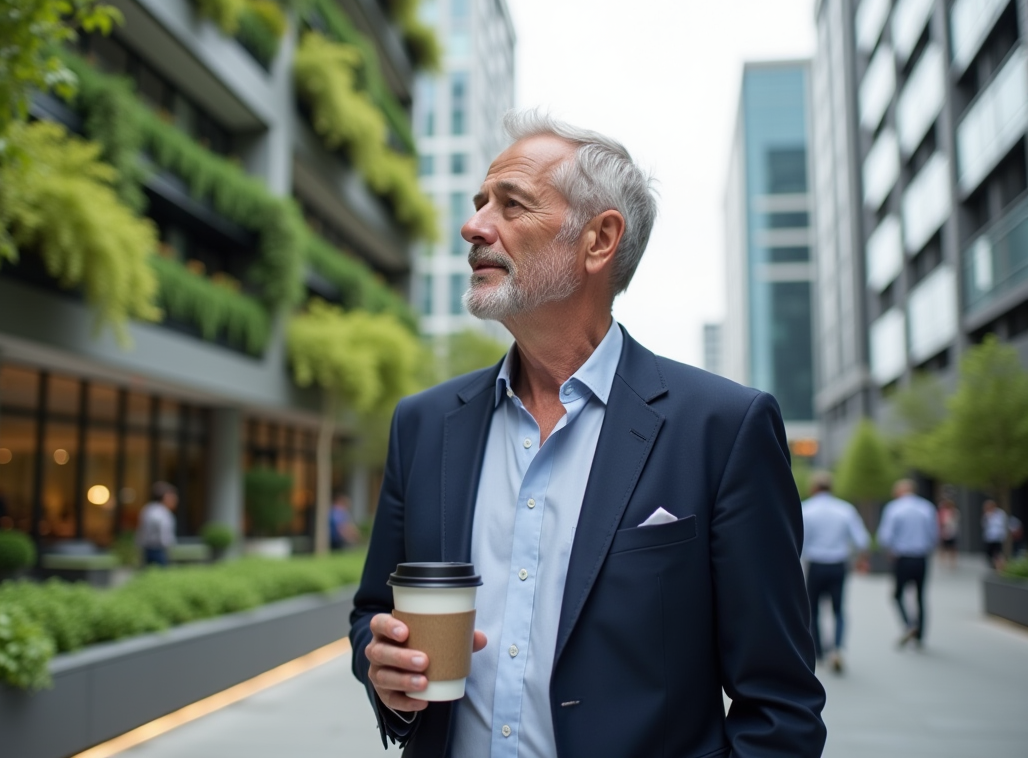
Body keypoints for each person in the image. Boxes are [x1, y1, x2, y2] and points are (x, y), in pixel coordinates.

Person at [349, 111, 826, 757]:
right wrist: (386, 673)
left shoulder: (722, 429)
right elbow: (375, 611)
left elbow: (779, 706)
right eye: (479, 203)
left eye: (511, 205)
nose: (474, 226)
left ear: (599, 240)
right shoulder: (424, 425)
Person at [801, 471, 869, 674]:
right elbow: (862, 540)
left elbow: (800, 541)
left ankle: (819, 653)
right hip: (838, 565)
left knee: (814, 610)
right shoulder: (845, 509)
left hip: (815, 565)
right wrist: (861, 560)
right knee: (838, 609)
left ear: (813, 488)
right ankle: (837, 649)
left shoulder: (806, 509)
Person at [877, 479, 938, 648]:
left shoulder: (894, 508)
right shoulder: (926, 507)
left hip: (902, 558)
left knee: (897, 595)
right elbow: (934, 534)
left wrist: (889, 549)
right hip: (921, 557)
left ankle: (909, 625)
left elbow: (885, 536)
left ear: (899, 492)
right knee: (920, 596)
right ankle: (920, 636)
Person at [136, 481, 177, 567]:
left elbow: (140, 531)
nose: (175, 500)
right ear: (165, 497)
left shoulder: (147, 509)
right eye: (172, 497)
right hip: (159, 551)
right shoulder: (164, 513)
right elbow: (165, 537)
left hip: (146, 549)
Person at [982, 500, 1009, 571]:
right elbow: (984, 525)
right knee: (989, 553)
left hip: (998, 536)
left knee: (998, 552)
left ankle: (999, 566)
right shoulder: (987, 514)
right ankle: (993, 565)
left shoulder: (1000, 513)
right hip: (989, 537)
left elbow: (1002, 524)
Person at [937, 497, 960, 570]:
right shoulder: (943, 512)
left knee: (952, 548)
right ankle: (943, 563)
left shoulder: (955, 512)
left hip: (952, 532)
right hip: (945, 532)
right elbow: (940, 522)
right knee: (944, 548)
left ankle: (952, 563)